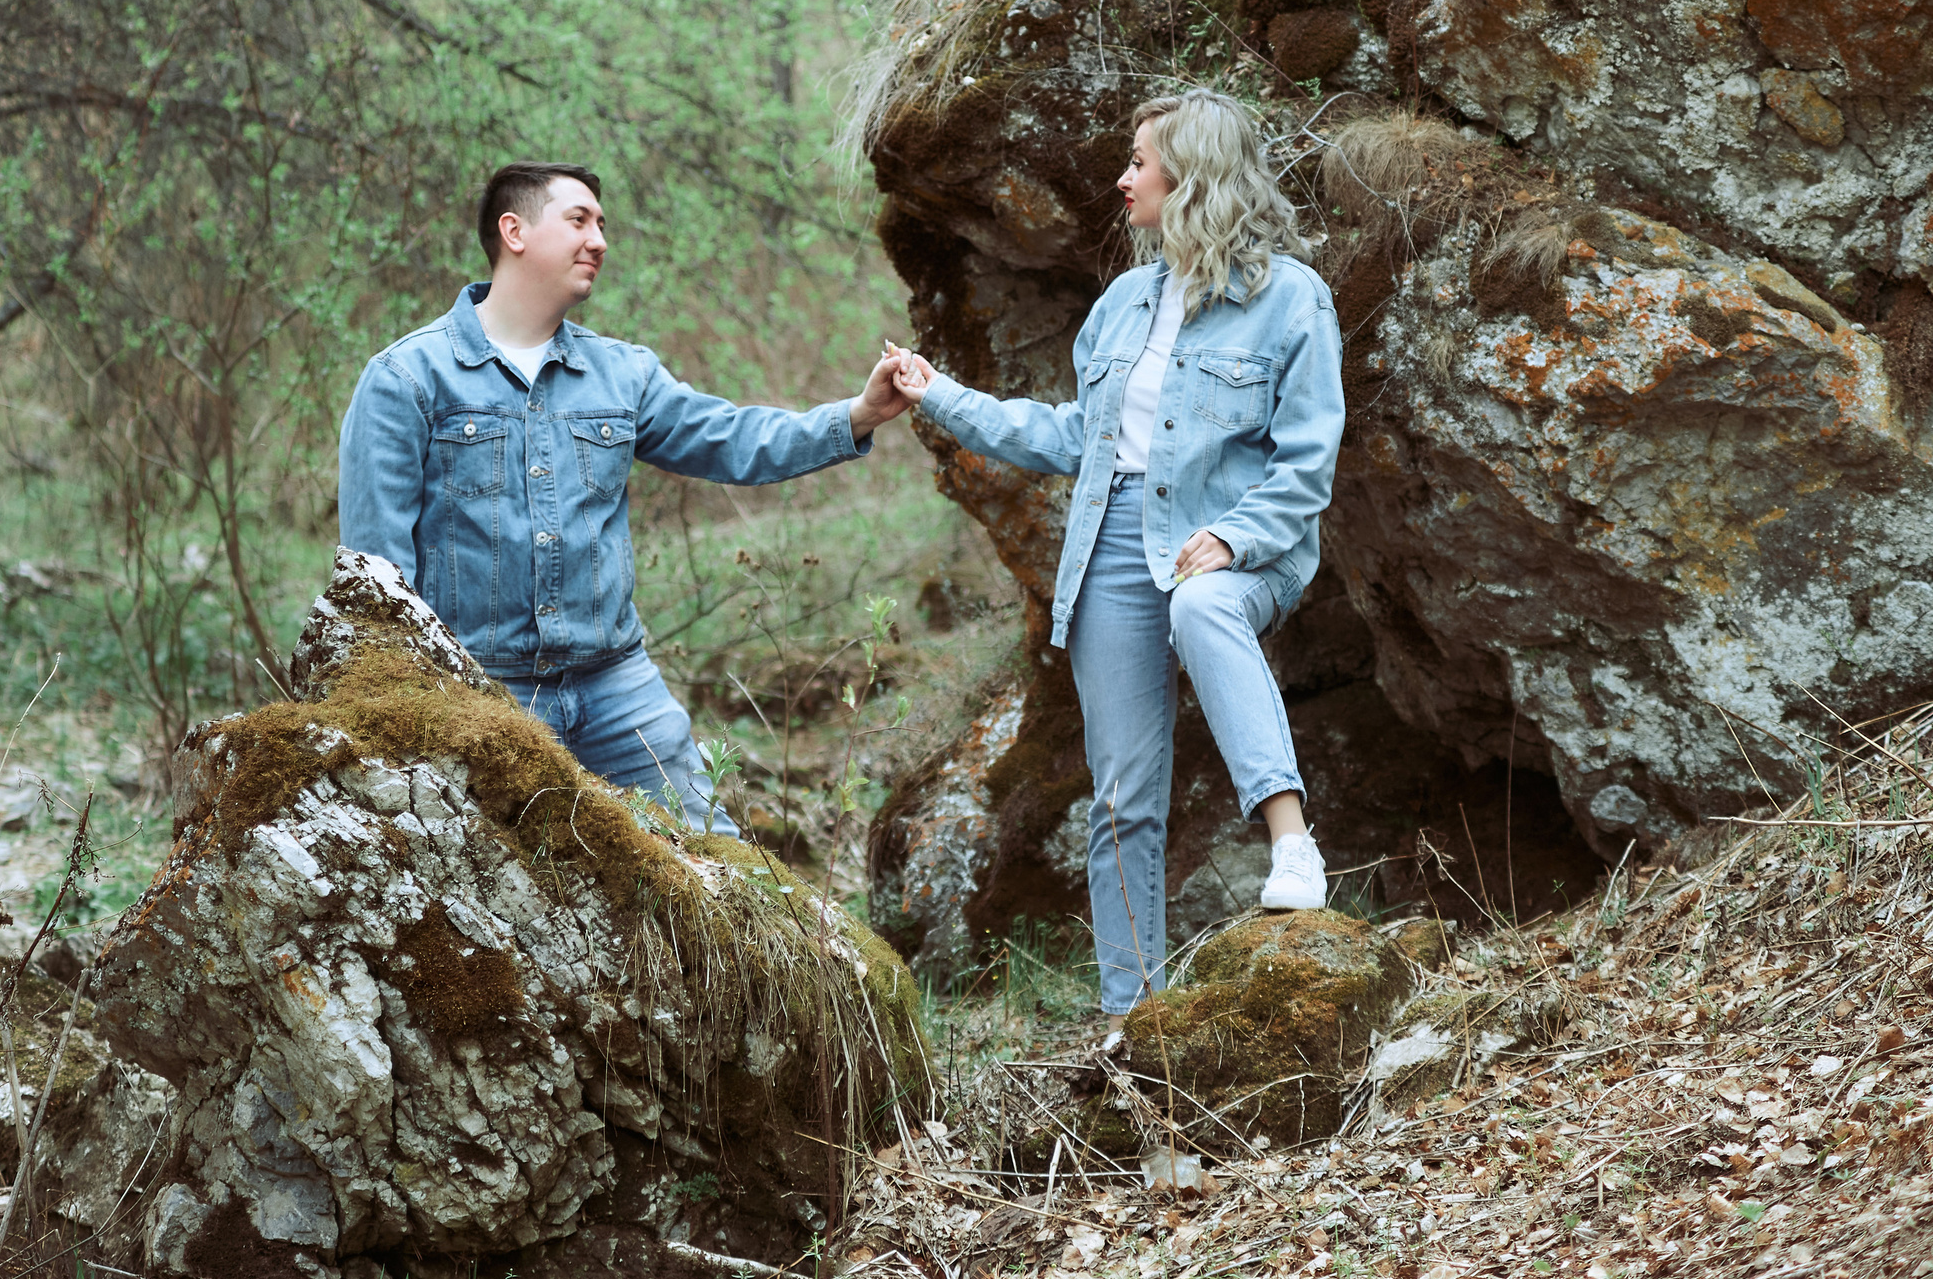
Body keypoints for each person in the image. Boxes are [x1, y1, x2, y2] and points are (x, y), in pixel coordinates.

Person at [886, 90, 1345, 1032]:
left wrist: (1237, 537)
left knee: (1205, 606)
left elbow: (1309, 461)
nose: (1123, 178)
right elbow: (1070, 435)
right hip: (1113, 541)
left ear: (1193, 176)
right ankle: (1132, 1021)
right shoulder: (1125, 303)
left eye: (1140, 161)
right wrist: (942, 394)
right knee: (1123, 794)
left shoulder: (1291, 297)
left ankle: (1293, 845)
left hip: (1236, 539)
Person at [338, 161, 916, 832]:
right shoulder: (406, 378)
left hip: (618, 688)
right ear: (514, 231)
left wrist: (858, 415)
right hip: (480, 691)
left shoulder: (622, 374)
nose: (600, 240)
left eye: (602, 224)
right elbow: (376, 579)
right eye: (579, 220)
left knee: (717, 860)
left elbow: (733, 439)